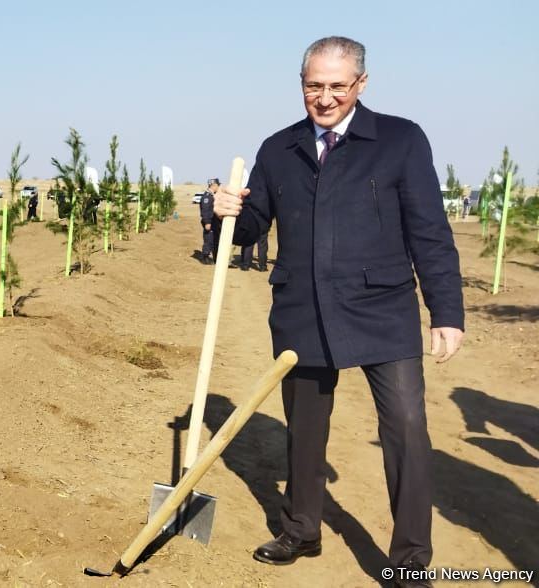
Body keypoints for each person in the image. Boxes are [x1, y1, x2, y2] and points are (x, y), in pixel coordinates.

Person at [213, 37, 464, 585]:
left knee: (405, 425)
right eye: (313, 86)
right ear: (301, 84)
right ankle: (301, 529)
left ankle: (411, 560)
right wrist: (224, 212)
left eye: (336, 87)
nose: (324, 99)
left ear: (361, 85)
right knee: (304, 429)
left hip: (383, 308)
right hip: (302, 311)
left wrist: (446, 311)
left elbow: (429, 231)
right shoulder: (279, 148)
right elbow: (252, 225)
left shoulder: (400, 140)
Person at [197, 178, 218, 264]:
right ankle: (205, 257)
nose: (218, 187)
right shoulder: (207, 197)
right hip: (209, 222)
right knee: (208, 239)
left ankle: (212, 257)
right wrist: (207, 222)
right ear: (213, 185)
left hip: (212, 221)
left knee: (212, 239)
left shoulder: (211, 195)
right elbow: (205, 211)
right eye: (218, 185)